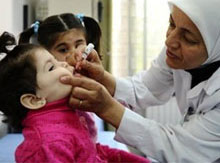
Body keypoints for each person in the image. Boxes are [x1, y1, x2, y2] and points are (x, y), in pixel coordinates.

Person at [59, 0, 220, 162]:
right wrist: (102, 77)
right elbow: (146, 88)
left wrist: (107, 108)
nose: (169, 42)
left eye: (189, 38)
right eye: (171, 23)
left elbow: (180, 147)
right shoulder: (175, 51)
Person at [0, 32, 150, 163]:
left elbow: (91, 152)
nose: (64, 64)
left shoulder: (67, 116)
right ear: (34, 100)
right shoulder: (48, 144)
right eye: (52, 67)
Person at [19, 13, 102, 142]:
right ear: (47, 54)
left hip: (88, 144)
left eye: (79, 45)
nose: (75, 54)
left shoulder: (91, 74)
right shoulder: (52, 90)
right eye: (63, 50)